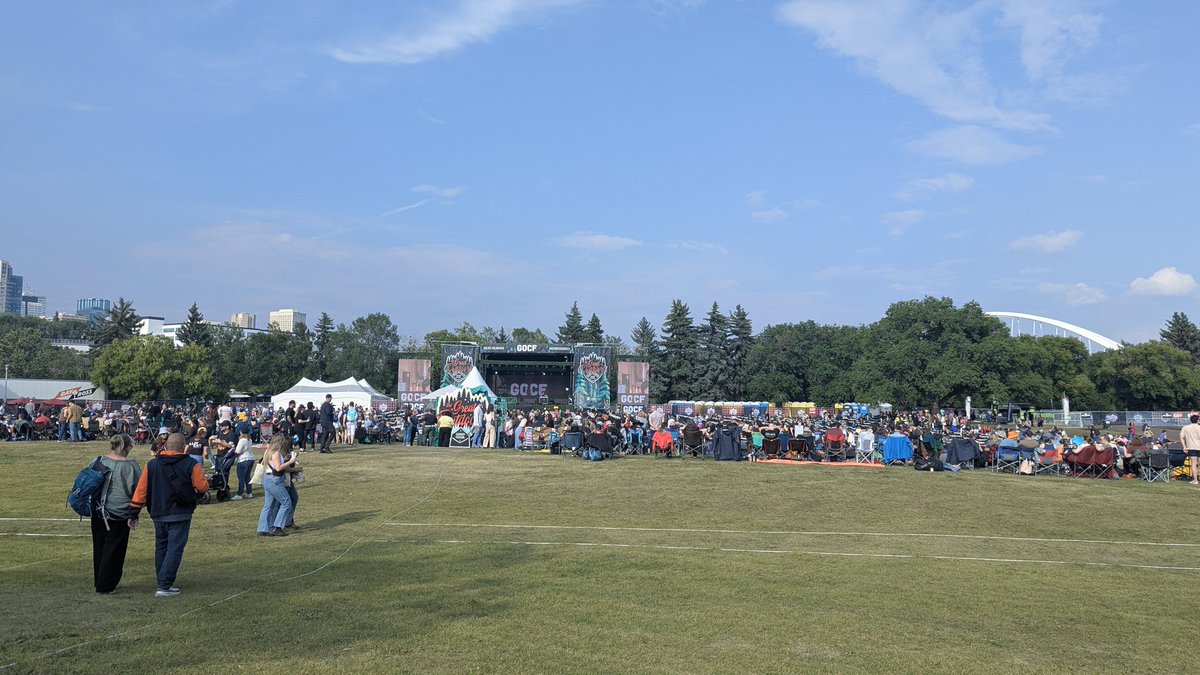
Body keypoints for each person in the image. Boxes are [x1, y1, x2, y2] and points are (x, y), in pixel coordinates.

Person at [129, 433, 209, 597]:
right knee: (175, 548)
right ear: (184, 446)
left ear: (165, 446)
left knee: (161, 546)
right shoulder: (191, 464)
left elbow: (141, 491)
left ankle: (162, 581)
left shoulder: (151, 465)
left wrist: (133, 512)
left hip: (158, 512)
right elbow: (203, 487)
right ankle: (164, 584)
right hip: (180, 512)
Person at [92, 434, 141, 594]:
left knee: (100, 547)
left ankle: (99, 579)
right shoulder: (131, 466)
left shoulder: (98, 460)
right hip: (119, 512)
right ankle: (105, 585)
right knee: (115, 550)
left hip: (99, 510)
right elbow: (138, 491)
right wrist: (134, 513)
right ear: (125, 447)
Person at [257, 435, 298, 537]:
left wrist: (284, 459)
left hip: (267, 478)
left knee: (268, 505)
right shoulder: (275, 453)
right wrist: (291, 461)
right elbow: (278, 468)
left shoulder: (268, 451)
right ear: (279, 442)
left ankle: (263, 528)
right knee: (286, 502)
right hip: (274, 480)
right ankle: (277, 527)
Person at [231, 430, 256, 500]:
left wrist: (233, 450)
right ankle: (249, 493)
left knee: (241, 478)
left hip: (243, 459)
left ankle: (240, 494)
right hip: (251, 458)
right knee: (247, 477)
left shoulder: (242, 440)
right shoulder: (249, 439)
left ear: (241, 432)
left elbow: (238, 451)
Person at [1181, 413, 1200, 486]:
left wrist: (1184, 446)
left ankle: (1195, 480)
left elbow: (1181, 437)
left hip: (1191, 448)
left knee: (1193, 464)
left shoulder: (1186, 428)